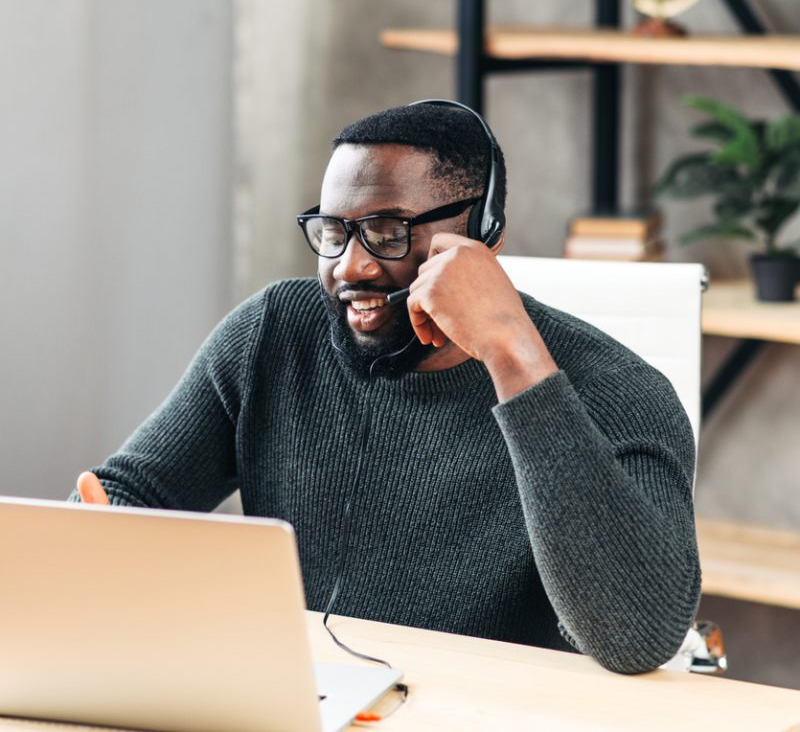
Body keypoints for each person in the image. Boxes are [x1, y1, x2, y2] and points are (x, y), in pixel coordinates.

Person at [74, 102, 700, 675]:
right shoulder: (275, 334)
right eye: (333, 232)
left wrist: (511, 355)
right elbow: (130, 491)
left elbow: (637, 638)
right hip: (311, 699)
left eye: (389, 231)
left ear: (482, 236)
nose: (351, 266)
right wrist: (96, 542)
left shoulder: (620, 393)